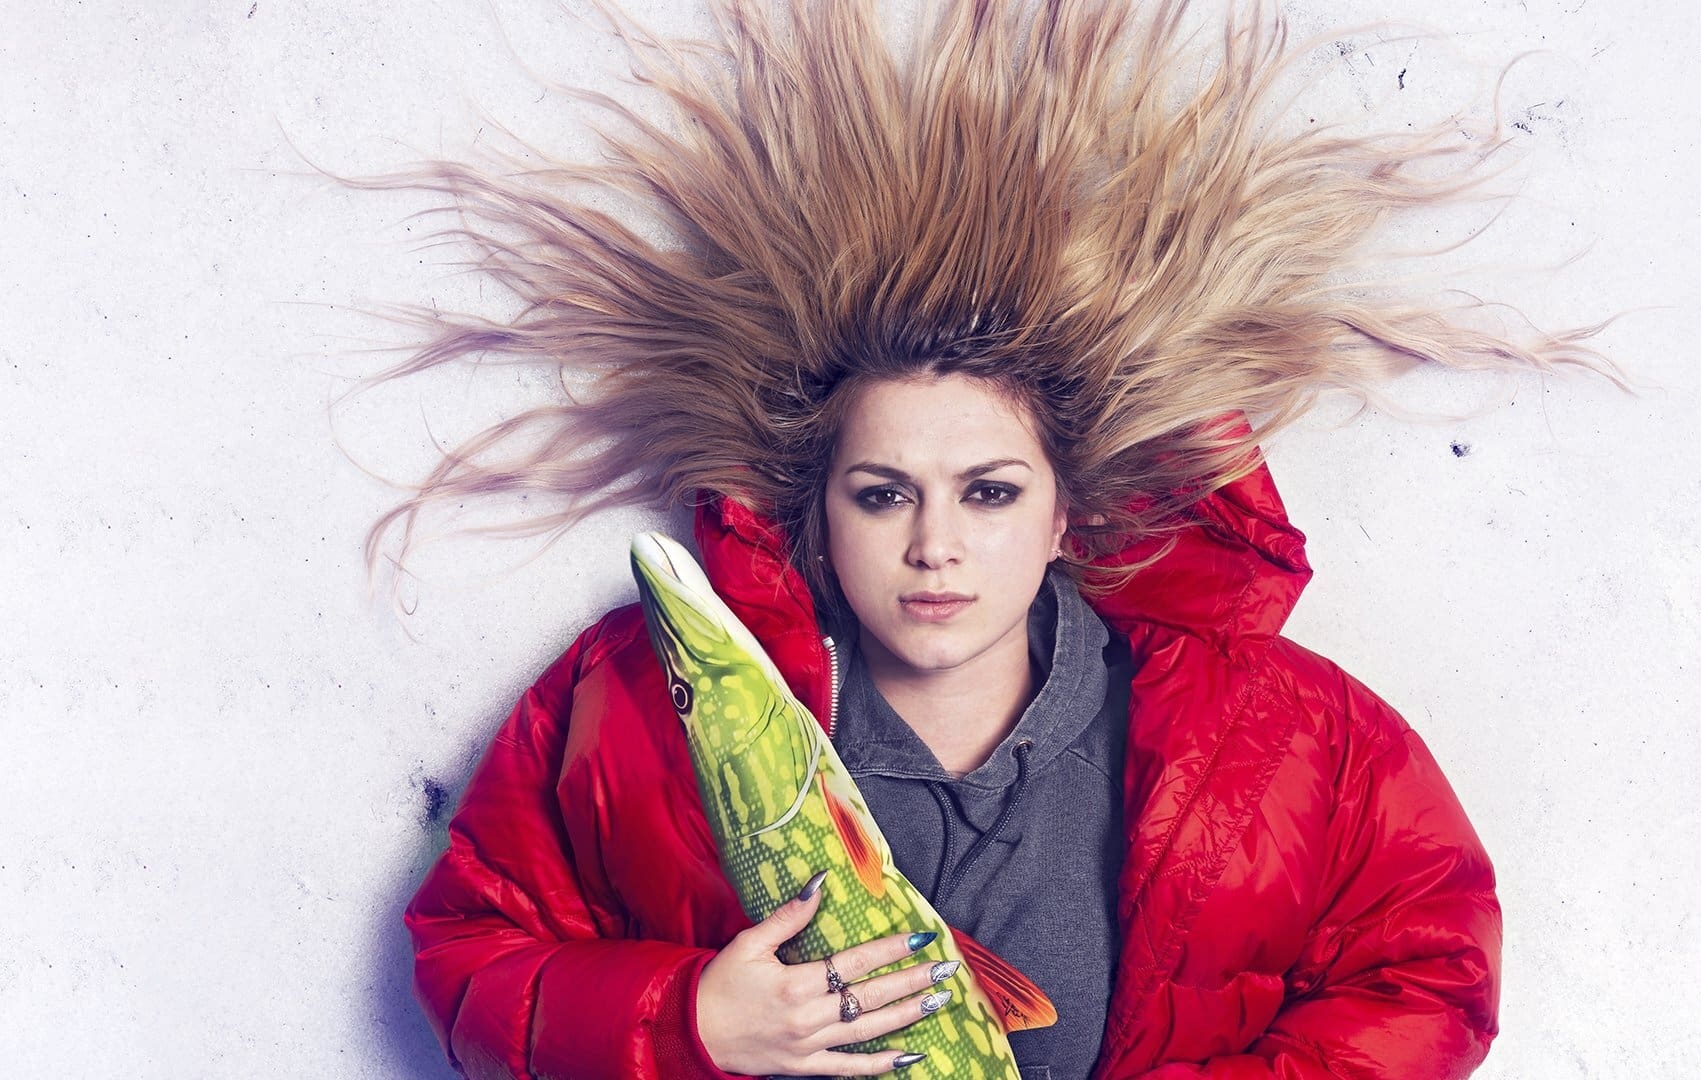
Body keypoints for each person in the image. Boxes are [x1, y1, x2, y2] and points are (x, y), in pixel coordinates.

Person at [334, 0, 1628, 1076]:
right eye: (882, 494)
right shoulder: (640, 700)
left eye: (991, 493)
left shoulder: (1283, 730)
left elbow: (1429, 962)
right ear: (818, 509)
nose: (934, 547)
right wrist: (689, 1023)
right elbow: (469, 951)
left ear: (1066, 514)